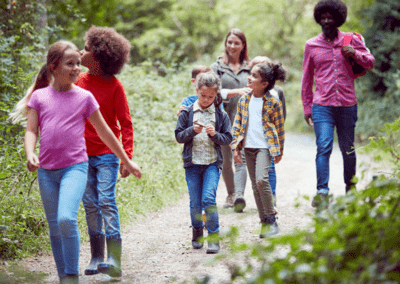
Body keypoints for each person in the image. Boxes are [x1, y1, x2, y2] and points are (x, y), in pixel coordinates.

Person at [9, 40, 142, 284]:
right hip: (47, 171)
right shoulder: (39, 97)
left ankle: (80, 272)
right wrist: (30, 153)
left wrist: (127, 159)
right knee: (55, 226)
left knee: (67, 218)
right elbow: (31, 131)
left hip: (76, 167)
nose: (76, 68)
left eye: (78, 64)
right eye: (70, 64)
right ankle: (65, 277)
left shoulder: (85, 97)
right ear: (54, 67)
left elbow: (106, 133)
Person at [301, 0, 375, 207]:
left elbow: (370, 61)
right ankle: (322, 191)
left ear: (338, 18)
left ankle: (350, 189)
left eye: (330, 16)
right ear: (319, 19)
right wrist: (307, 107)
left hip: (347, 104)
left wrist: (355, 53)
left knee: (348, 148)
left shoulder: (351, 40)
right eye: (323, 17)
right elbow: (307, 78)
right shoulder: (311, 45)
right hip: (322, 106)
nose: (326, 20)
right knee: (323, 147)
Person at [76, 26, 133, 277]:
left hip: (108, 154)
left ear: (99, 57)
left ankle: (114, 258)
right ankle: (96, 256)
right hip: (82, 154)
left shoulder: (115, 86)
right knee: (89, 203)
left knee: (106, 201)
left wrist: (126, 157)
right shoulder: (79, 81)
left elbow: (125, 123)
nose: (81, 51)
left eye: (86, 49)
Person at [175, 72, 232, 254]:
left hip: (212, 164)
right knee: (195, 203)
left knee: (209, 198)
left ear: (216, 95)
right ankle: (197, 232)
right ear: (197, 90)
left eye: (211, 96)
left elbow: (227, 138)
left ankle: (214, 239)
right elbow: (179, 136)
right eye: (203, 95)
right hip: (192, 164)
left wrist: (215, 135)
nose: (206, 99)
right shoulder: (187, 111)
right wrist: (192, 130)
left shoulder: (221, 115)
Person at [231, 62, 286, 238]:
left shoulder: (273, 101)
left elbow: (280, 128)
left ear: (264, 84)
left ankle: (271, 220)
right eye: (251, 74)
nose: (249, 77)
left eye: (254, 76)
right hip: (248, 147)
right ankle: (264, 222)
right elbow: (237, 125)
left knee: (262, 180)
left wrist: (279, 151)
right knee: (255, 186)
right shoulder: (244, 100)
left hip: (265, 147)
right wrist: (235, 148)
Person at [210, 28, 252, 211]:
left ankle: (239, 195)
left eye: (237, 43)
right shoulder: (217, 67)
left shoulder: (250, 68)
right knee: (226, 160)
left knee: (240, 158)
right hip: (223, 120)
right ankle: (231, 193)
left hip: (244, 120)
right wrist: (235, 92)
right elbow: (211, 91)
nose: (232, 46)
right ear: (225, 44)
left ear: (243, 46)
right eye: (230, 42)